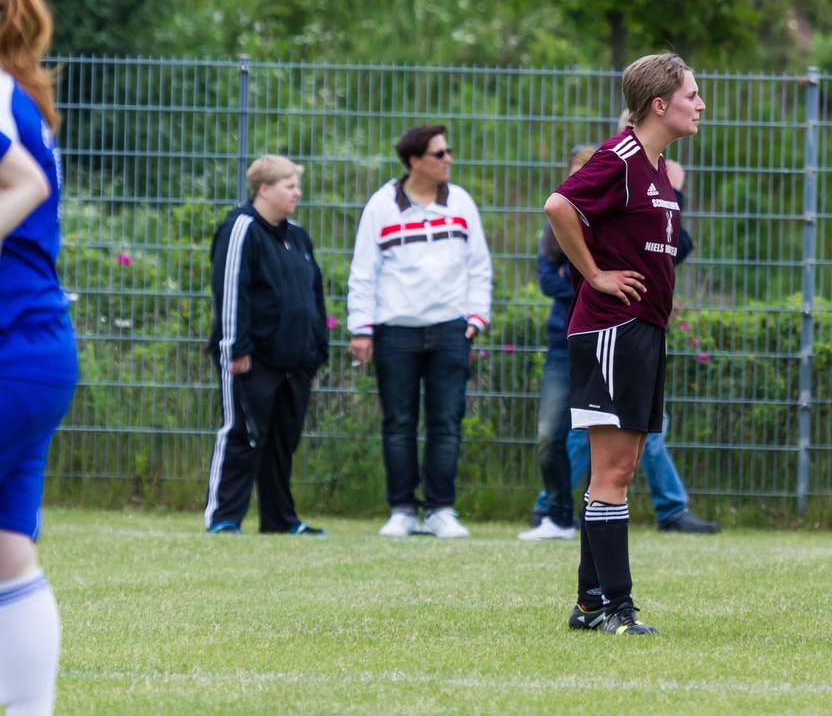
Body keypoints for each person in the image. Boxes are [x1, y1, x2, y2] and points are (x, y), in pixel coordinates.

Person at [543, 51, 704, 635]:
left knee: (622, 465)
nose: (700, 105)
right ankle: (616, 607)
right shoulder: (623, 154)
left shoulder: (657, 166)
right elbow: (560, 206)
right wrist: (595, 274)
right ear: (660, 104)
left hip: (644, 330)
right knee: (610, 470)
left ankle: (590, 603)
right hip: (612, 328)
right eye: (692, 95)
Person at [521, 149, 719, 540]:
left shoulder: (627, 199)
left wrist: (673, 195)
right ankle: (554, 510)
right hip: (586, 335)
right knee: (575, 434)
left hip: (634, 330)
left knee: (639, 436)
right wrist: (594, 277)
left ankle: (663, 509)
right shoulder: (571, 223)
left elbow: (672, 246)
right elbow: (550, 273)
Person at [347, 124, 492, 539]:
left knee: (447, 421)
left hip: (450, 331)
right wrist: (362, 329)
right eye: (439, 154)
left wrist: (475, 318)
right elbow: (363, 271)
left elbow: (478, 266)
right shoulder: (381, 206)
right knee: (399, 422)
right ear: (415, 162)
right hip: (396, 332)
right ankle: (403, 509)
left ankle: (441, 509)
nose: (448, 160)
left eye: (448, 152)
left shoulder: (461, 202)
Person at [0, 0, 78, 716]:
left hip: (10, 344)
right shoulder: (17, 93)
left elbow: (19, 184)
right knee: (8, 553)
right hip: (36, 346)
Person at [203, 155, 329, 536]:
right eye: (289, 185)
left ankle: (280, 519)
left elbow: (314, 294)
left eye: (297, 185)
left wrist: (316, 349)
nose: (297, 192)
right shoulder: (241, 229)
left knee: (281, 441)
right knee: (242, 433)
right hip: (252, 359)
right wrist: (235, 348)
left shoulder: (298, 236)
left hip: (295, 361)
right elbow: (231, 290)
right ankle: (224, 517)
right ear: (264, 189)